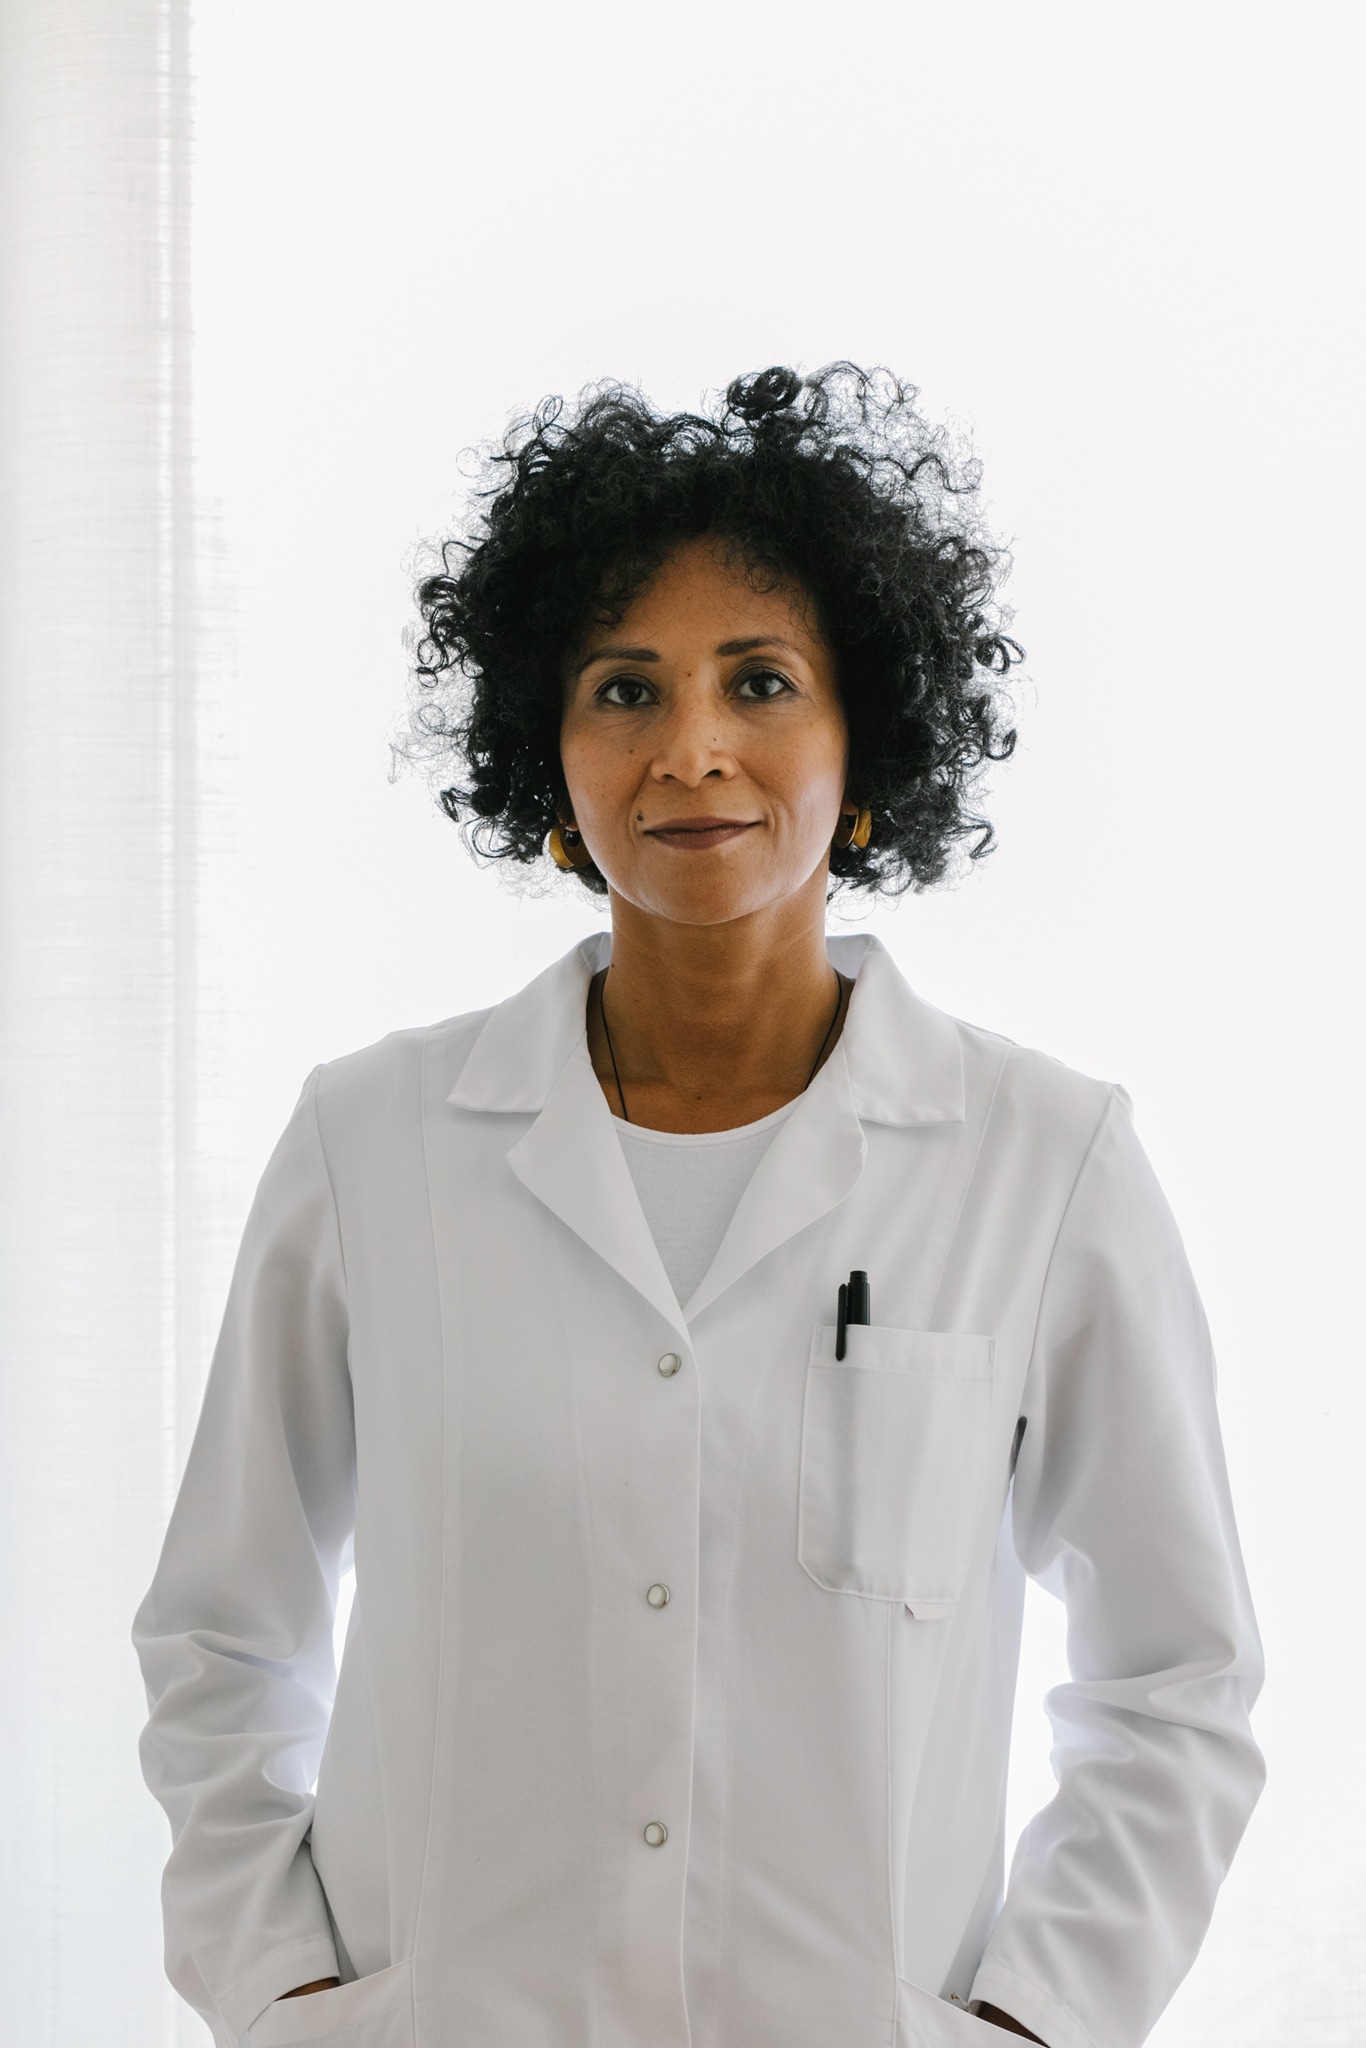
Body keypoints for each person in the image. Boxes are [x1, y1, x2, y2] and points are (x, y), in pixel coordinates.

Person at [133, 363, 1264, 2048]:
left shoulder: (1044, 1160)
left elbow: (1176, 1683)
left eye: (758, 681)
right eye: (622, 689)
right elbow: (223, 1632)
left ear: (862, 729)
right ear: (549, 754)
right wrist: (284, 1995)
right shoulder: (371, 1145)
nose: (693, 749)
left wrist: (1033, 2026)